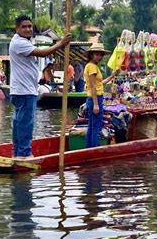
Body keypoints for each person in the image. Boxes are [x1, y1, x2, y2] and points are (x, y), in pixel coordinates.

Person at [9, 15, 71, 159]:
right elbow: (43, 53)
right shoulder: (19, 43)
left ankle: (17, 152)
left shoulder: (22, 42)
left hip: (21, 90)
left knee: (19, 122)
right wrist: (61, 43)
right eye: (24, 27)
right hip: (24, 90)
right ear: (17, 28)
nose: (27, 29)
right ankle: (24, 154)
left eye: (30, 26)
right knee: (25, 123)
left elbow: (41, 50)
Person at [84, 43, 116, 148]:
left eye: (100, 55)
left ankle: (89, 149)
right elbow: (93, 87)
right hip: (95, 98)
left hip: (93, 98)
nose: (99, 57)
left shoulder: (90, 66)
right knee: (96, 128)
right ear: (91, 55)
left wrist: (111, 77)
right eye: (96, 54)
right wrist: (96, 104)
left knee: (91, 127)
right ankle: (94, 149)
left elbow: (99, 83)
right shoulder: (92, 67)